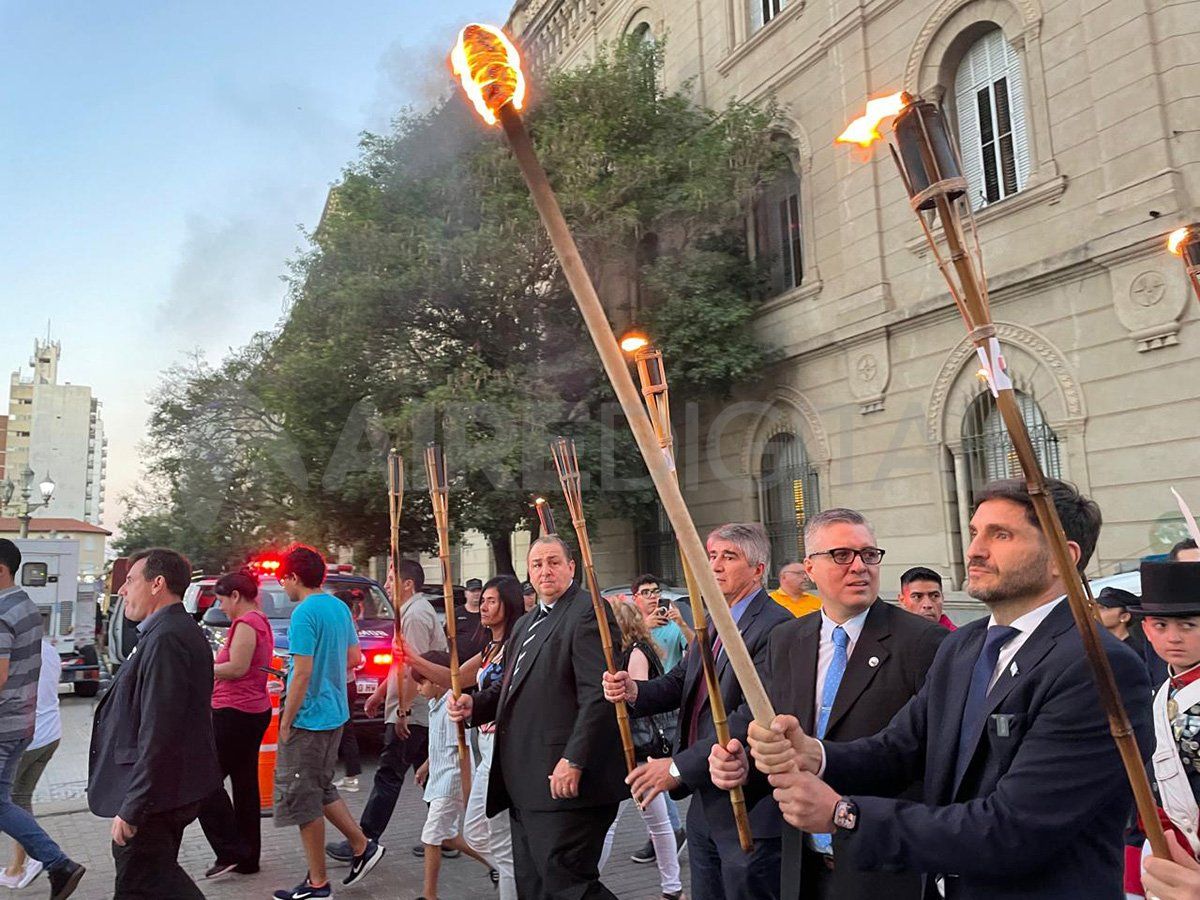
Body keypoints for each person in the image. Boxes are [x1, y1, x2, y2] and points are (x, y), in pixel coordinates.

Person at [746, 478, 1154, 899]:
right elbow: (901, 748)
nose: (975, 549)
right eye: (975, 532)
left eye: (1001, 534)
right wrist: (817, 754)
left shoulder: (1096, 667)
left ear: (1062, 558)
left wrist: (844, 815)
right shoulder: (965, 645)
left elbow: (1012, 829)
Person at [709, 510, 946, 900]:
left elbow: (922, 755)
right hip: (800, 863)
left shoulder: (923, 642)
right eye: (841, 555)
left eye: (869, 555)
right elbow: (768, 727)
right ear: (809, 568)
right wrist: (740, 763)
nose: (859, 567)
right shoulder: (787, 640)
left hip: (882, 865)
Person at [603, 523, 793, 900]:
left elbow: (753, 714)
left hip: (748, 802)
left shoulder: (777, 626)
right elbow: (682, 682)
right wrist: (634, 689)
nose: (715, 566)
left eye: (729, 557)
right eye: (711, 556)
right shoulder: (712, 620)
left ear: (758, 569)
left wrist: (676, 767)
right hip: (705, 801)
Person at [449, 536, 628, 900]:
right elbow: (512, 689)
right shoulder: (526, 623)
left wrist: (574, 759)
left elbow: (599, 696)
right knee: (535, 887)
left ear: (571, 567)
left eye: (553, 562)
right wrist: (475, 705)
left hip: (566, 783)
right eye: (536, 564)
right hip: (525, 782)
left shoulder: (586, 612)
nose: (544, 571)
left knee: (569, 886)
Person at [88, 547, 219, 900]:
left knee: (141, 881)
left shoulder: (167, 637)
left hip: (158, 795)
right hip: (163, 791)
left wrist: (133, 806)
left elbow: (160, 730)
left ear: (157, 583)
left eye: (130, 580)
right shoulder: (165, 631)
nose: (122, 590)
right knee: (154, 878)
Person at [272, 544, 384, 900]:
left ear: (292, 577)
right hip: (336, 713)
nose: (283, 588)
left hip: (309, 718)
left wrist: (286, 720)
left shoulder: (304, 614)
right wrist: (327, 665)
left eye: (282, 580)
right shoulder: (337, 607)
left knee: (303, 798)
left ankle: (318, 884)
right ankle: (361, 845)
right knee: (320, 788)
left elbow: (302, 673)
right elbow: (353, 657)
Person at [404, 575, 525, 900]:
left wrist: (415, 658)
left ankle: (518, 877)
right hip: (485, 745)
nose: (483, 606)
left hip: (507, 744)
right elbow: (451, 679)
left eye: (492, 601)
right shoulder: (489, 648)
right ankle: (516, 872)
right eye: (482, 600)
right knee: (479, 832)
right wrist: (413, 659)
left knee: (488, 833)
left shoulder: (518, 643)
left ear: (508, 604)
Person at [327, 558, 448, 864]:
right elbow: (398, 663)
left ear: (408, 584)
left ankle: (365, 840)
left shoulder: (415, 616)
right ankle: (445, 835)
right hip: (410, 707)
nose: (389, 585)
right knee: (430, 774)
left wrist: (404, 710)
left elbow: (413, 667)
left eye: (393, 580)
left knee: (389, 774)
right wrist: (379, 695)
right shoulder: (406, 613)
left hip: (414, 709)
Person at [598, 599, 683, 900]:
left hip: (636, 746)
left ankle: (588, 879)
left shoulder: (634, 653)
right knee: (656, 822)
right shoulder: (634, 650)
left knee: (614, 820)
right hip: (637, 747)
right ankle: (672, 887)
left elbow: (638, 698)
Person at [197, 570, 275, 879]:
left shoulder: (246, 623)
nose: (221, 607)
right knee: (244, 785)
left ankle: (230, 850)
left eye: (221, 600)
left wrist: (205, 668)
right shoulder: (261, 620)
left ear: (236, 596)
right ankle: (248, 857)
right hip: (251, 710)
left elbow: (238, 667)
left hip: (235, 712)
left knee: (203, 781)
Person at [413, 650, 491, 900]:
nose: (418, 689)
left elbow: (464, 748)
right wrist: (426, 765)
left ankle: (429, 895)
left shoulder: (452, 705)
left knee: (431, 837)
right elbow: (439, 744)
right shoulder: (435, 704)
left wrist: (468, 791)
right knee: (450, 837)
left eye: (421, 682)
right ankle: (499, 865)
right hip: (438, 779)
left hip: (450, 782)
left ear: (436, 680)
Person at [627, 574, 689, 865]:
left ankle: (669, 832)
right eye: (646, 592)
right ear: (635, 598)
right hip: (644, 704)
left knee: (650, 773)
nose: (653, 597)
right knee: (648, 775)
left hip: (664, 711)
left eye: (656, 591)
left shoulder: (672, 627)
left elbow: (696, 650)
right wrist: (643, 629)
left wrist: (683, 624)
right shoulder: (635, 630)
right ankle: (666, 833)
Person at [0, 634, 62, 890]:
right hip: (49, 735)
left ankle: (44, 857)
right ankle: (22, 865)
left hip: (20, 739)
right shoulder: (49, 650)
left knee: (8, 804)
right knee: (20, 799)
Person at [332, 589, 363, 794]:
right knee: (344, 730)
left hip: (341, 684)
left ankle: (351, 777)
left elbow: (354, 658)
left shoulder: (342, 623)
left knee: (343, 731)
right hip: (347, 683)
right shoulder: (349, 621)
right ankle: (350, 775)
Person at [454, 578, 489, 663]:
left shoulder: (488, 612)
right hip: (460, 663)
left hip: (484, 661)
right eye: (473, 591)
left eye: (479, 591)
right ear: (466, 593)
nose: (476, 594)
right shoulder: (456, 613)